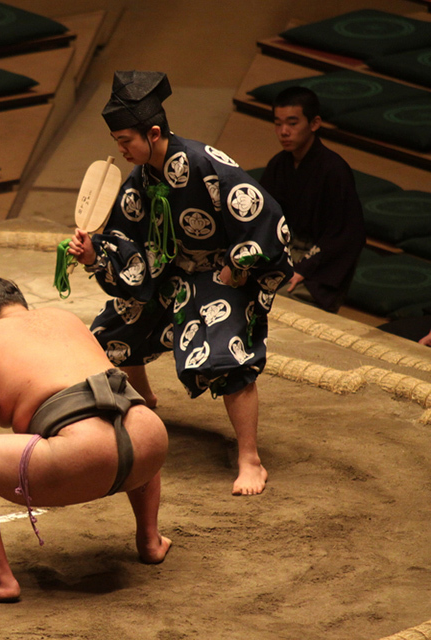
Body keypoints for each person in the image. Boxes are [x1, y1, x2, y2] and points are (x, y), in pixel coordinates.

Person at [68, 70, 293, 496]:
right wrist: (96, 254)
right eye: (116, 142)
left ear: (153, 132)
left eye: (125, 141)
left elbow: (265, 216)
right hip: (168, 270)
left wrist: (237, 267)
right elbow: (126, 238)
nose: (121, 150)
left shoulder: (208, 165)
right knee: (110, 333)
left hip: (218, 272)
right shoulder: (141, 179)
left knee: (228, 353)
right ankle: (145, 403)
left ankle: (250, 459)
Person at [0, 266, 170, 603]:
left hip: (82, 457)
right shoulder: (66, 318)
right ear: (21, 305)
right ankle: (150, 540)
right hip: (150, 443)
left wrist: (5, 458)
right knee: (124, 413)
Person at [260, 86, 366, 313]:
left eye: (292, 123)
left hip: (321, 265)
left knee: (279, 306)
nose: (284, 131)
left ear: (314, 123)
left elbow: (345, 234)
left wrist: (306, 267)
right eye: (278, 124)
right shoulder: (278, 165)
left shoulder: (334, 170)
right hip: (285, 252)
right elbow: (264, 217)